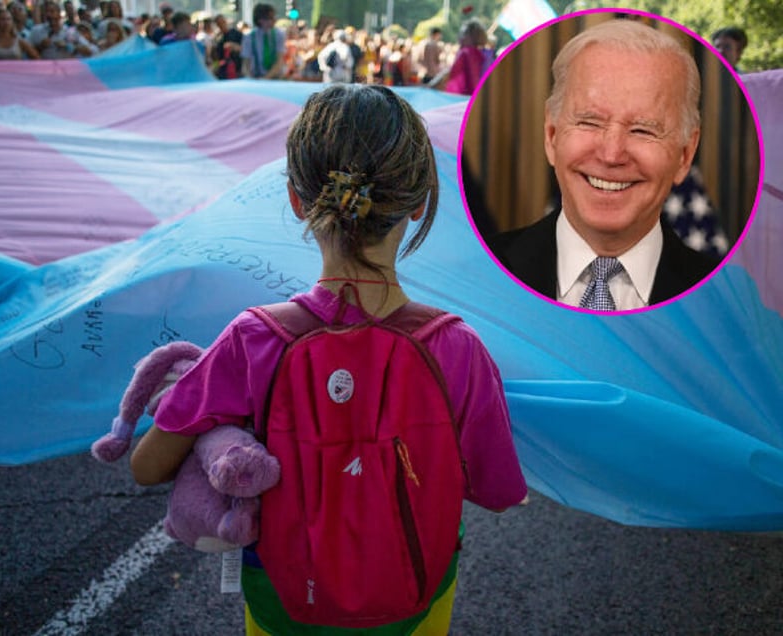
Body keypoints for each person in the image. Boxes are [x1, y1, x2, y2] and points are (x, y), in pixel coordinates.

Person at [130, 84, 527, 635]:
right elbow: (500, 491)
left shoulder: (252, 340)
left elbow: (146, 465)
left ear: (297, 198)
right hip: (413, 607)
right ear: (418, 203)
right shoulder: (457, 349)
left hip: (284, 605)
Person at [486, 19, 720, 312]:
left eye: (643, 130)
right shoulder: (477, 277)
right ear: (552, 135)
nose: (611, 155)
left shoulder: (731, 306)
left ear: (685, 155)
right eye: (589, 122)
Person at [28, 1, 94, 59]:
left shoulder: (70, 32)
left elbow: (89, 51)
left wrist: (68, 46)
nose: (49, 15)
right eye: (46, 12)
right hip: (45, 71)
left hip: (65, 71)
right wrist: (41, 47)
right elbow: (26, 54)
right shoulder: (36, 31)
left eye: (52, 11)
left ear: (59, 14)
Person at [241, 2, 284, 79]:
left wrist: (265, 78)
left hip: (275, 77)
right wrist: (249, 78)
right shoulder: (249, 37)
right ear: (260, 20)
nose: (275, 20)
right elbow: (245, 64)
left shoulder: (279, 35)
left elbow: (279, 61)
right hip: (255, 77)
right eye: (270, 18)